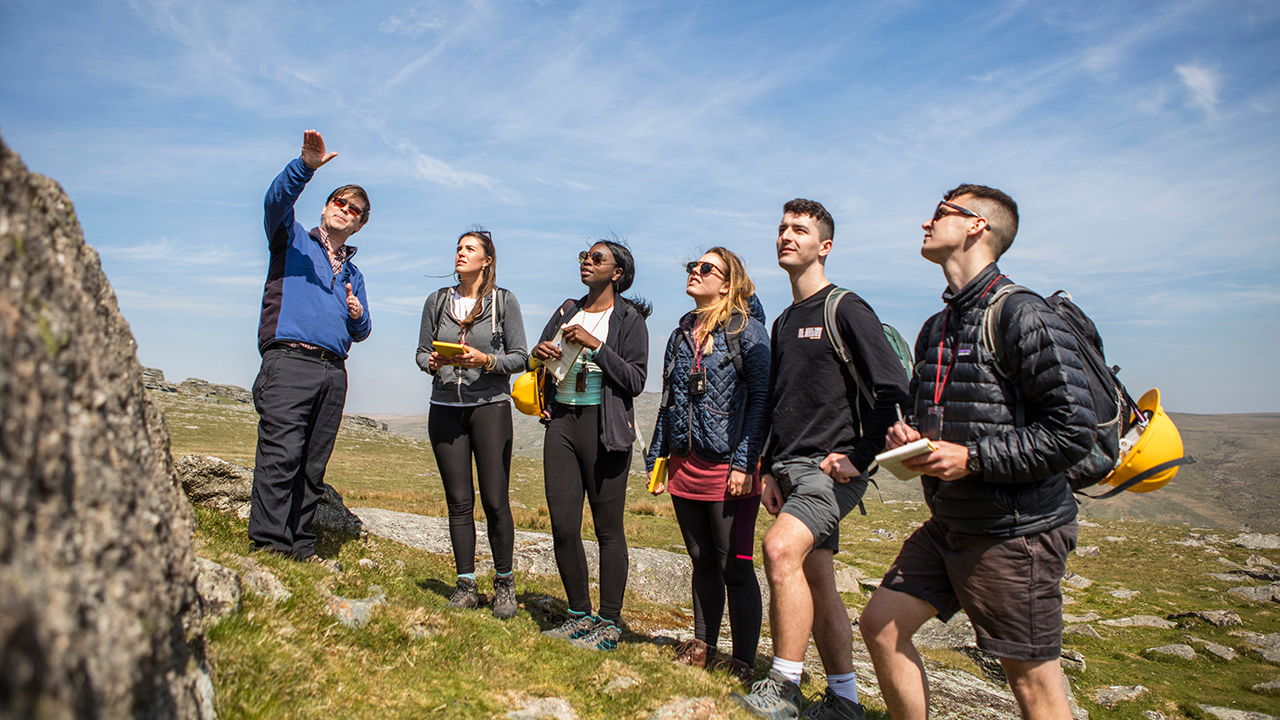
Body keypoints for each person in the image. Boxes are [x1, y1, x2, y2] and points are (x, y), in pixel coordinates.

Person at [859, 185, 1095, 720]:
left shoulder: (1022, 315)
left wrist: (973, 459)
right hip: (952, 524)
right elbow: (941, 414)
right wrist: (910, 437)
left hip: (1016, 532)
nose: (926, 222)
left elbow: (1071, 428)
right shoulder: (936, 327)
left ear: (976, 227)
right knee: (881, 626)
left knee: (1033, 685)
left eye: (941, 213)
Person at [736, 199, 910, 720]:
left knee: (778, 550)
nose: (787, 235)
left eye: (801, 229)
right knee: (818, 579)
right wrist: (767, 466)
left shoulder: (846, 308)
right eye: (783, 227)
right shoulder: (787, 319)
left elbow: (893, 388)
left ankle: (784, 685)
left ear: (824, 246)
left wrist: (860, 456)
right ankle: (845, 701)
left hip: (830, 473)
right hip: (791, 468)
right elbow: (779, 398)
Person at [248, 130, 371, 570]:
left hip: (333, 371)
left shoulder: (354, 272)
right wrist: (305, 167)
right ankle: (269, 547)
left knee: (312, 465)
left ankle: (301, 547)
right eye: (340, 202)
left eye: (354, 210)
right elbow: (273, 203)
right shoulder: (292, 238)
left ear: (359, 224)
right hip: (289, 361)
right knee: (280, 455)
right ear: (325, 207)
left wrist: (356, 313)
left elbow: (364, 330)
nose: (345, 210)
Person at [646, 248, 770, 684]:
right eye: (692, 267)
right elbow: (668, 399)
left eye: (706, 269)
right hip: (684, 462)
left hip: (729, 468)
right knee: (700, 560)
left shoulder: (748, 332)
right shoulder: (682, 332)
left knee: (734, 565)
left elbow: (760, 400)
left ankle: (743, 662)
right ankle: (702, 645)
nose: (695, 273)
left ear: (727, 282)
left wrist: (744, 462)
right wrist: (657, 455)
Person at [533, 240, 649, 652]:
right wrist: (539, 352)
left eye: (597, 258)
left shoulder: (630, 319)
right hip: (561, 424)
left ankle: (610, 622)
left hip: (605, 430)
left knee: (607, 530)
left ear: (617, 273)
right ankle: (579, 614)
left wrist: (595, 345)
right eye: (585, 256)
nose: (587, 262)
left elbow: (635, 379)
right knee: (564, 525)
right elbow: (539, 361)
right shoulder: (568, 309)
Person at [416, 229, 528, 619]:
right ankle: (465, 584)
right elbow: (420, 352)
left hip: (490, 407)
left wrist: (486, 361)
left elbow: (521, 358)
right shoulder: (437, 301)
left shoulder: (503, 302)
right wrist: (430, 361)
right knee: (458, 501)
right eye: (458, 248)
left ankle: (504, 583)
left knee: (496, 500)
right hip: (444, 407)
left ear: (487, 261)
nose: (461, 254)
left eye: (469, 249)